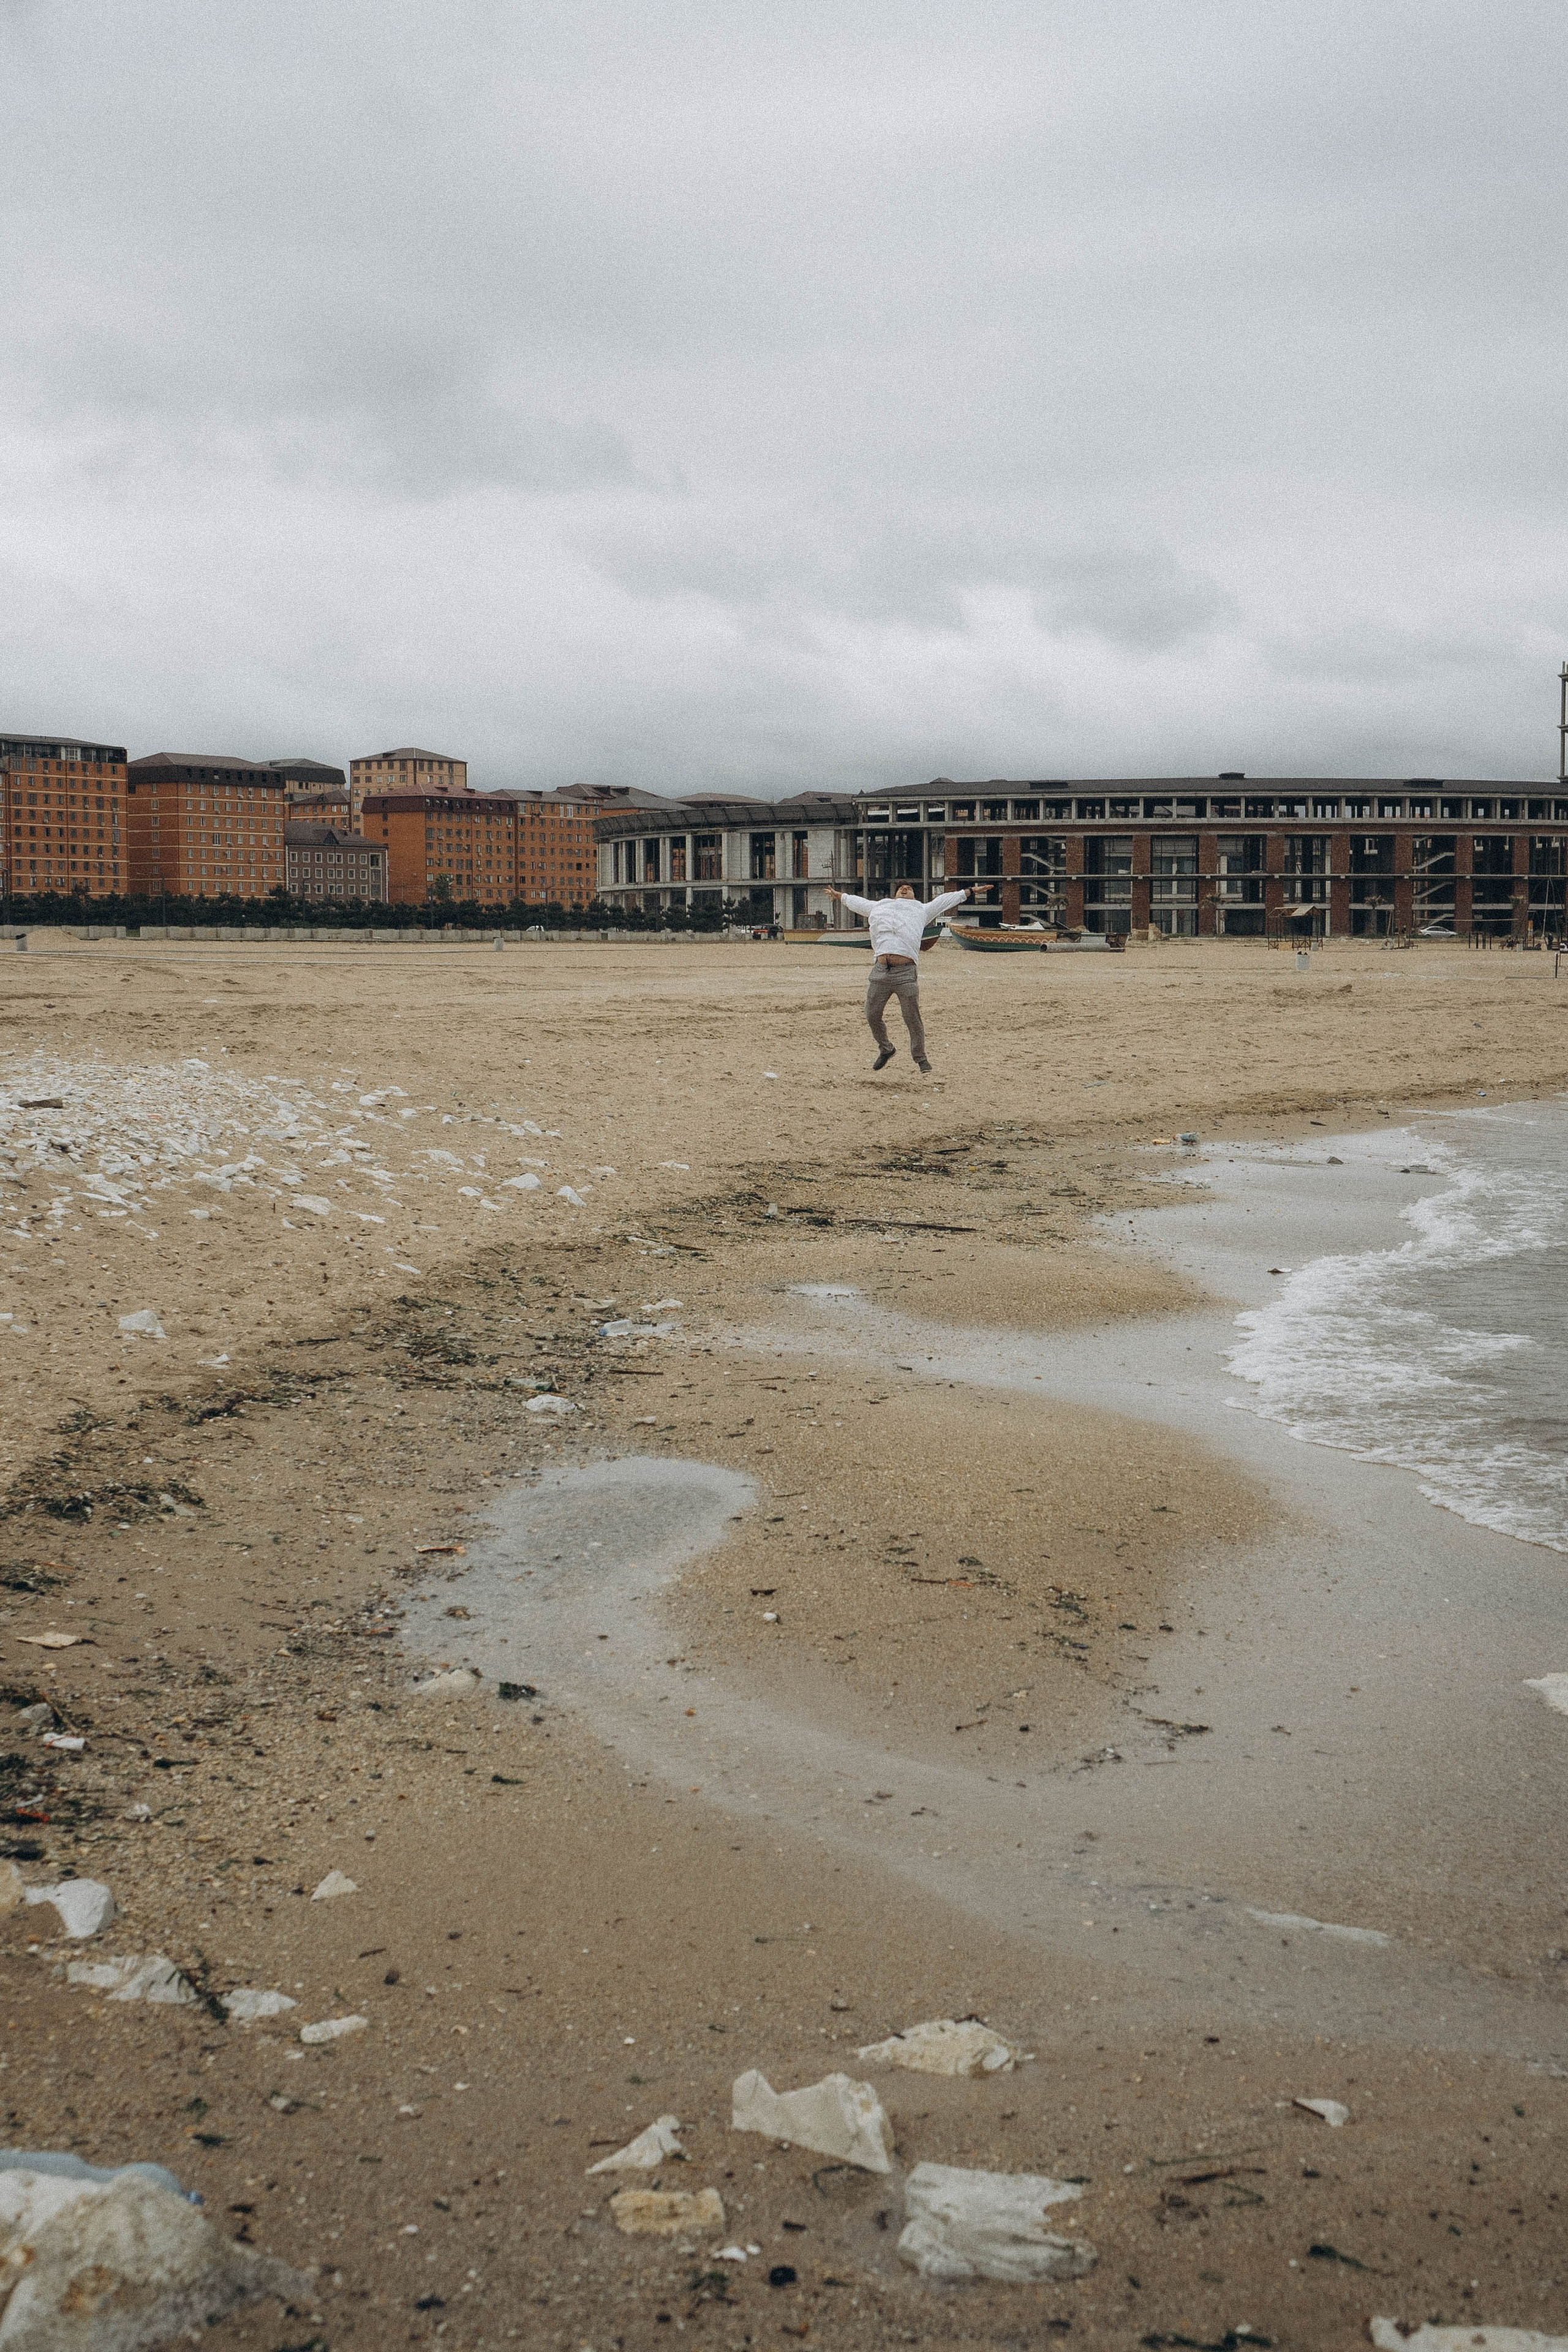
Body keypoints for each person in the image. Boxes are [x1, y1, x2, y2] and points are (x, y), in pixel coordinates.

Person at [825, 879, 973, 1072]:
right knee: (872, 1014)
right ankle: (886, 1049)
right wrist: (839, 896)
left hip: (905, 973)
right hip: (880, 971)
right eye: (902, 888)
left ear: (914, 896)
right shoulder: (880, 906)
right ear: (895, 894)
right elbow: (857, 902)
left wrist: (969, 891)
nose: (905, 889)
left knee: (912, 1017)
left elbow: (946, 900)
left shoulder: (921, 909)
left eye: (909, 888)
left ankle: (921, 1059)